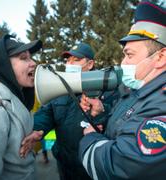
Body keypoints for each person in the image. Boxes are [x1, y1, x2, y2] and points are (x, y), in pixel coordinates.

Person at [79, 2, 166, 180]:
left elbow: (120, 167)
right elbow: (128, 121)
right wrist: (101, 113)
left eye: (130, 54)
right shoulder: (139, 89)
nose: (123, 63)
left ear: (160, 58)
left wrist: (90, 138)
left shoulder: (162, 104)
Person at [20, 43, 119, 180]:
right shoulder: (59, 87)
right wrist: (38, 129)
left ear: (90, 64)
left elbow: (116, 121)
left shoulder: (108, 89)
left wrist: (100, 111)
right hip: (65, 166)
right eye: (68, 60)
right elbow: (47, 112)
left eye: (76, 60)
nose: (70, 63)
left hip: (92, 166)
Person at [0, 34, 42, 180]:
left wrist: (33, 134)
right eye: (24, 58)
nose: (33, 63)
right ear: (3, 66)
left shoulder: (16, 98)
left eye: (31, 57)